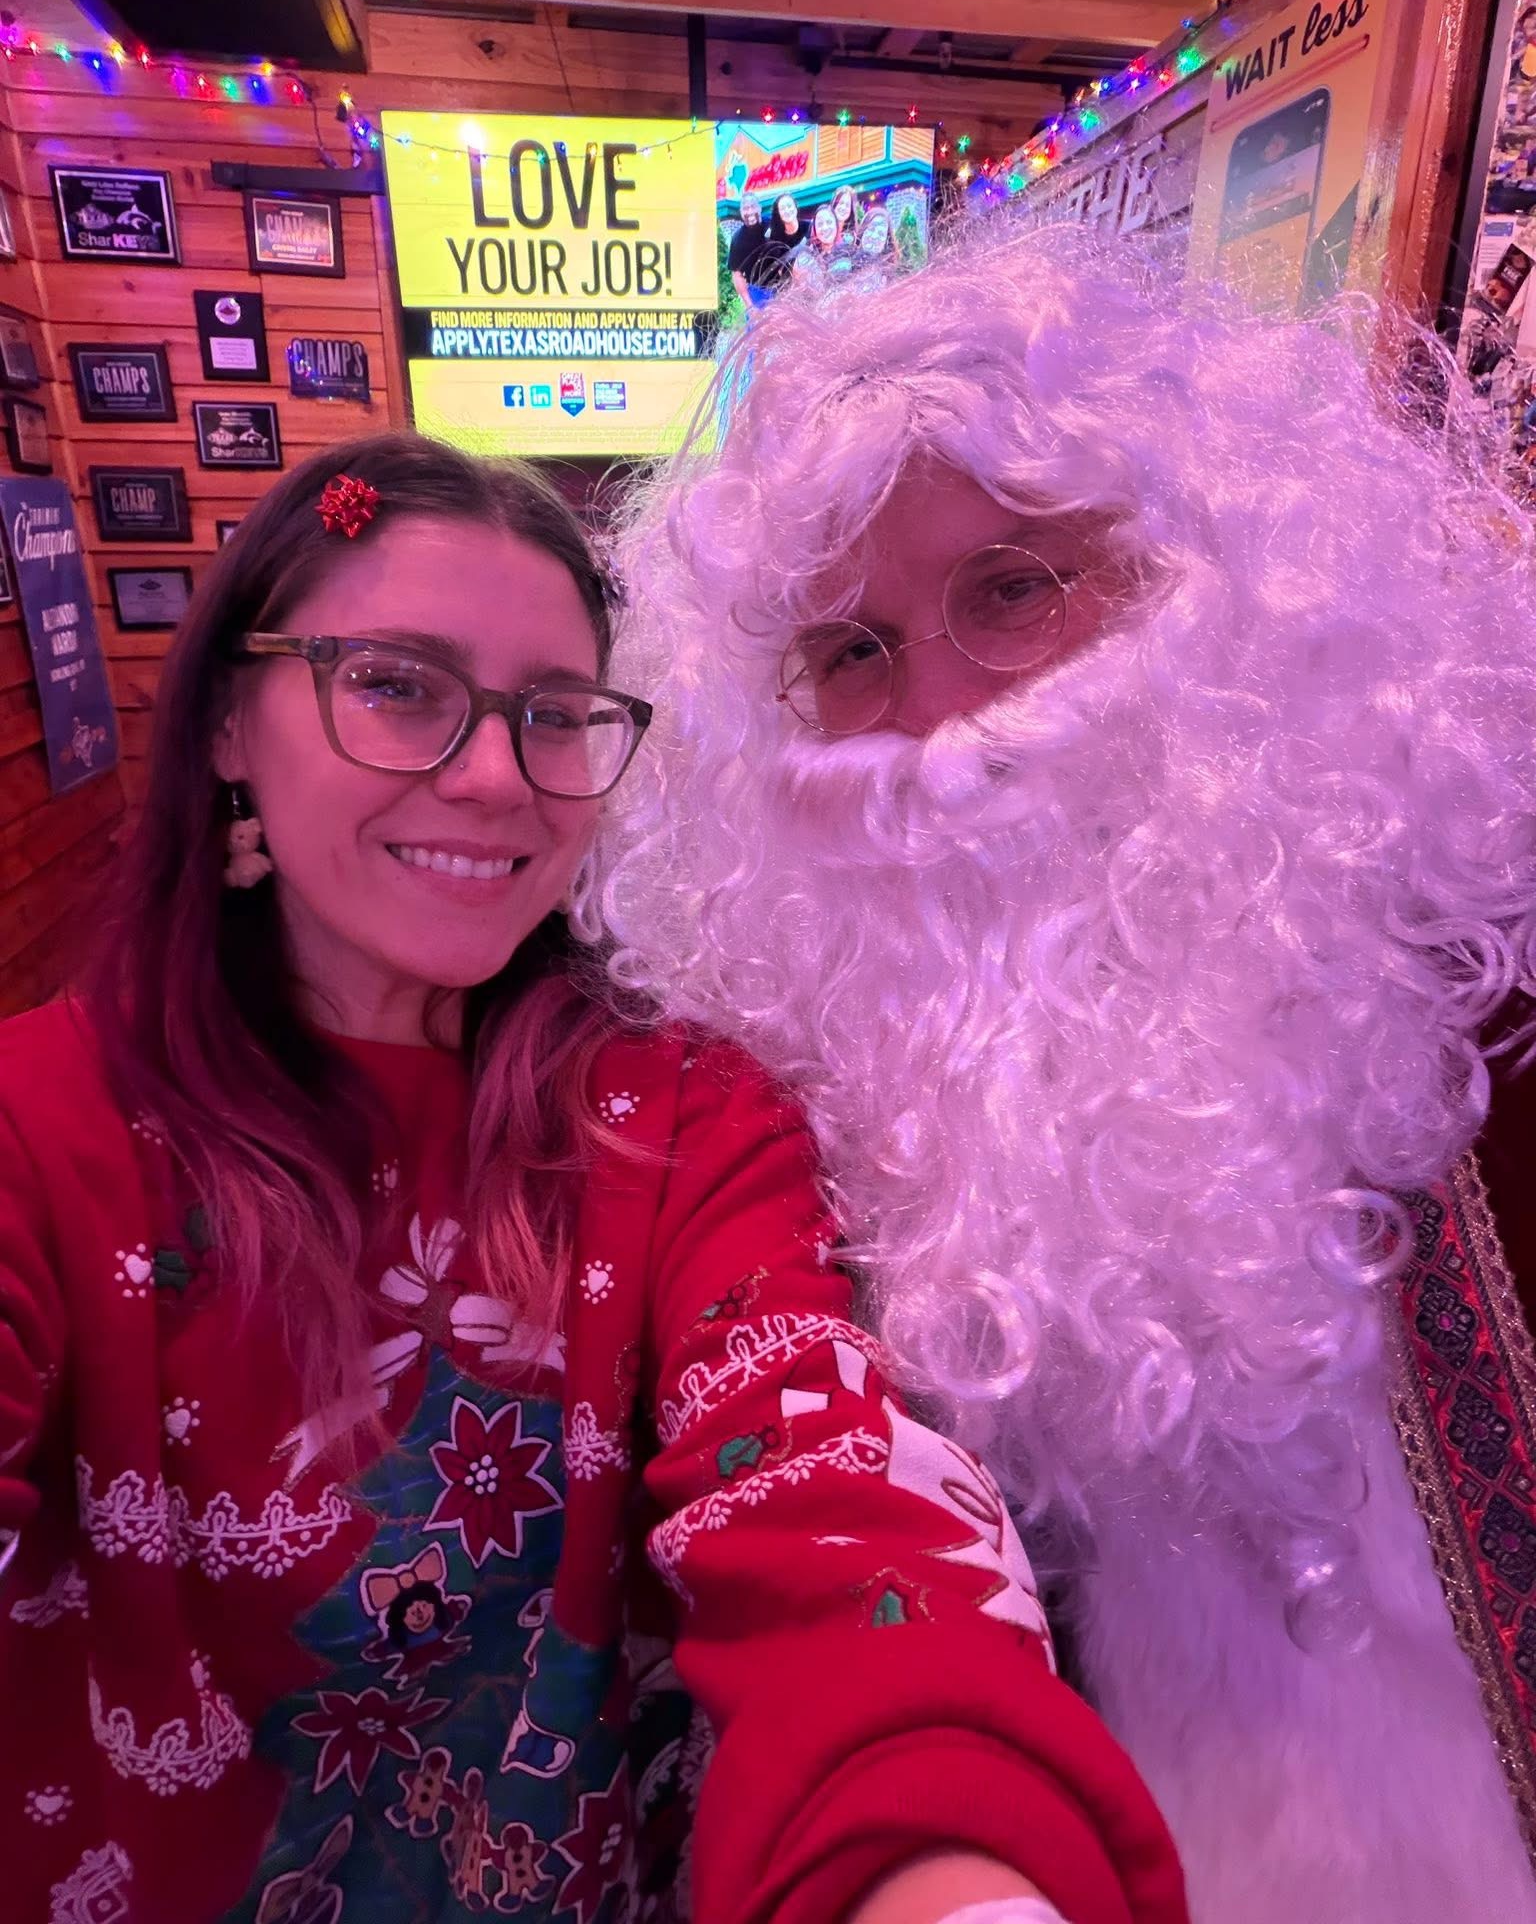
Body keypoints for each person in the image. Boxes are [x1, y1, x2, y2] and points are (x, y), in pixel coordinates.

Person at [0, 428, 1185, 1924]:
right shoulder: (42, 1131)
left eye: (556, 714)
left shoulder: (677, 1121)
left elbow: (829, 1497)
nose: (496, 776)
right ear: (231, 721)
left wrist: (951, 1882)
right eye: (397, 686)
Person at [592, 223, 1536, 1924]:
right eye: (853, 652)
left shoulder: (1473, 979)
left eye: (1013, 588)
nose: (943, 716)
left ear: (1198, 573)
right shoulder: (809, 1087)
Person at [725, 190, 780, 312]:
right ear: (741, 212)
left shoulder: (774, 224)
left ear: (759, 208)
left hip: (782, 288)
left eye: (753, 206)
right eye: (745, 208)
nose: (750, 212)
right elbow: (737, 275)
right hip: (757, 293)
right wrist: (750, 306)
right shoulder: (737, 239)